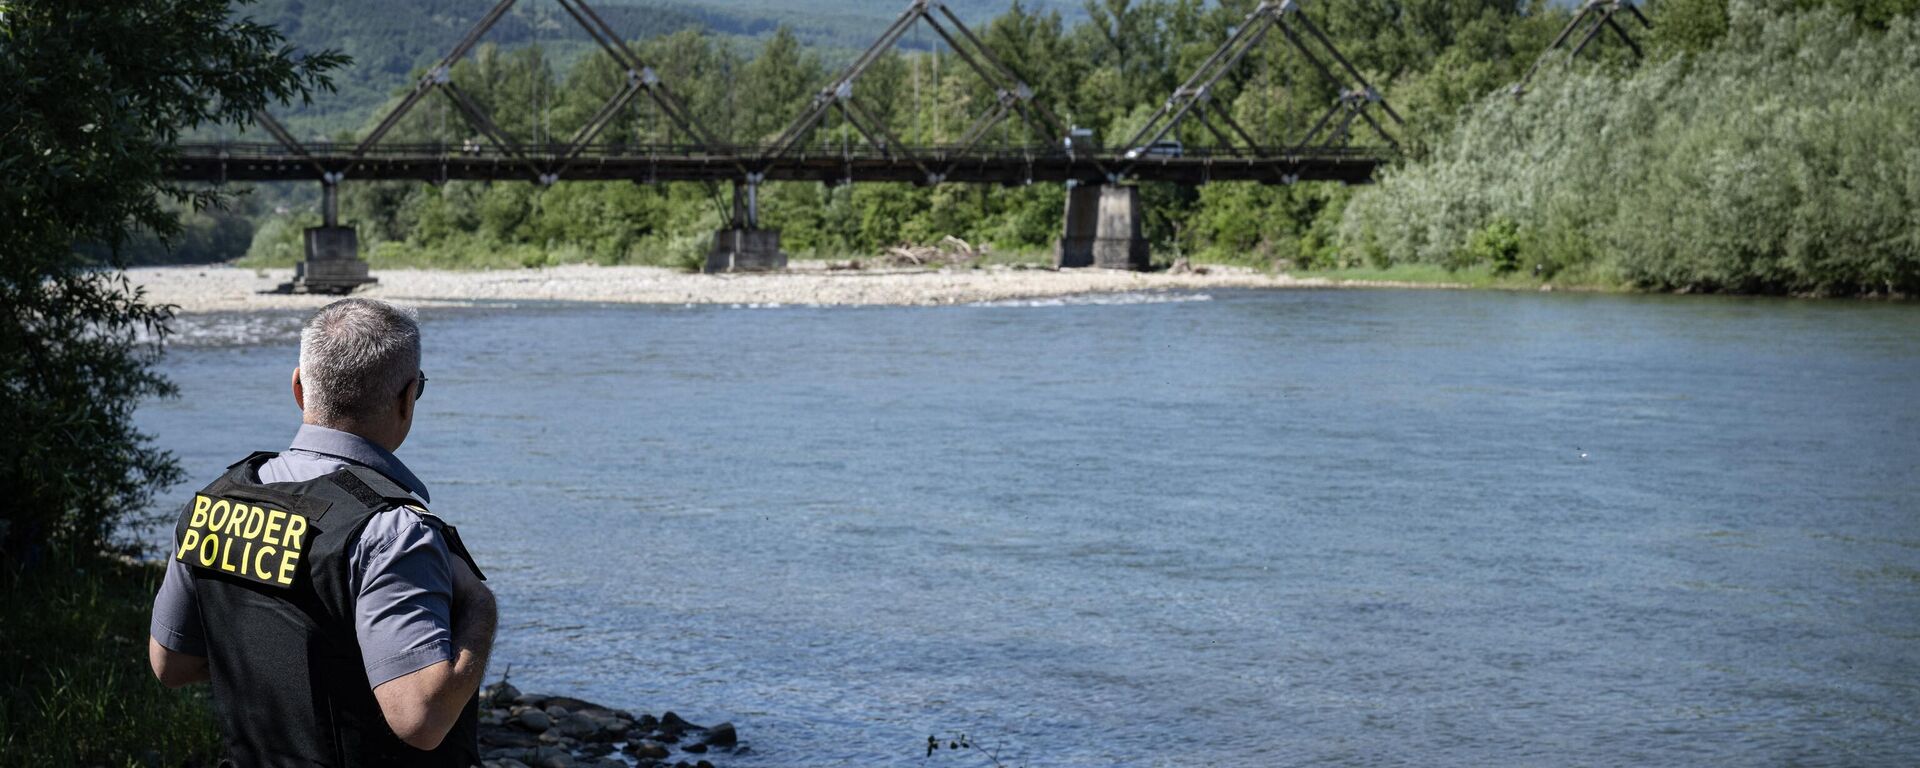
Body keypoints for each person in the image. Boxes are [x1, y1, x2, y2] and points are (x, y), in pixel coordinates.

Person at [148, 298, 496, 767]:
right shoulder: (392, 532)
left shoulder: (212, 503)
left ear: (298, 386)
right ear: (407, 397)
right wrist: (480, 609)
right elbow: (421, 720)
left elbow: (171, 665)